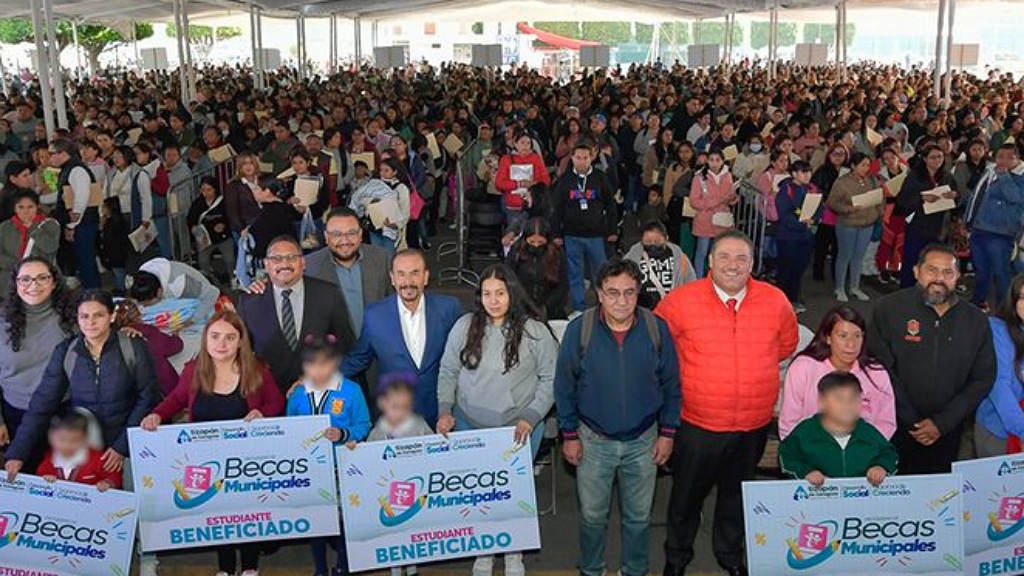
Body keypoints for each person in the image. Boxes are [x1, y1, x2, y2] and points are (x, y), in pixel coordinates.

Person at [657, 230, 799, 576]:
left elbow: (786, 345)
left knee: (736, 497)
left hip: (752, 424)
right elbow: (659, 349)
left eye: (741, 258)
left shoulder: (776, 301)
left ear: (753, 263)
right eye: (724, 257)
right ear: (709, 261)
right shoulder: (680, 301)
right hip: (697, 424)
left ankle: (730, 555)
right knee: (686, 497)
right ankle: (677, 557)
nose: (732, 265)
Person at [555, 258, 680, 576]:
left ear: (638, 293)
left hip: (644, 441)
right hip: (593, 442)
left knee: (638, 518)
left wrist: (667, 432)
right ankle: (591, 569)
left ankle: (634, 570)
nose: (621, 301)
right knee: (592, 517)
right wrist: (569, 435)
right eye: (612, 293)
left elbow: (672, 385)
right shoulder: (579, 330)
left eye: (629, 292)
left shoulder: (656, 328)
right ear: (599, 293)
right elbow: (564, 387)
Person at [140, 310, 285, 576]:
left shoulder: (257, 371)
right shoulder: (193, 371)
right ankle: (225, 569)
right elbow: (176, 399)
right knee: (217, 515)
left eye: (230, 337)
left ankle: (250, 567)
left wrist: (262, 413)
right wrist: (156, 414)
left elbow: (277, 400)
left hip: (247, 463)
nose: (222, 343)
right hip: (206, 461)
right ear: (205, 339)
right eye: (215, 336)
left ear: (241, 342)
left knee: (248, 513)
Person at [433, 264, 555, 576]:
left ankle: (514, 552)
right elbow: (448, 371)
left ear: (512, 294)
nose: (494, 300)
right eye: (487, 293)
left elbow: (551, 378)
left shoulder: (534, 331)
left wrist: (531, 416)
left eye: (500, 293)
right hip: (470, 425)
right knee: (478, 494)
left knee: (511, 494)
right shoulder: (464, 326)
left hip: (519, 429)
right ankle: (484, 550)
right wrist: (445, 410)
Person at [4, 290, 159, 486]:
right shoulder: (67, 351)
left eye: (98, 315)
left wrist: (122, 446)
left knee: (130, 493)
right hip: (86, 450)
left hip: (129, 445)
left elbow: (148, 397)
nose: (90, 322)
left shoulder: (132, 346)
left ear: (111, 316)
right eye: (84, 316)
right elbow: (42, 402)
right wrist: (17, 452)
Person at [868, 244, 996, 473]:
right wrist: (911, 420)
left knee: (939, 491)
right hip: (893, 424)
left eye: (948, 272)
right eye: (932, 270)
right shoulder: (888, 309)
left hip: (948, 430)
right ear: (916, 271)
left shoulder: (975, 321)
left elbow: (983, 377)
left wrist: (943, 422)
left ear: (958, 276)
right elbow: (879, 367)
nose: (939, 279)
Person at [341, 249, 461, 427]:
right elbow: (358, 359)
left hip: (440, 414)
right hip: (396, 415)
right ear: (392, 278)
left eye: (415, 273)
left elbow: (462, 357)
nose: (408, 282)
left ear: (426, 277)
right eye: (401, 274)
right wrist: (316, 378)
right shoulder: (375, 315)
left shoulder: (449, 308)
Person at [287, 334, 370, 576]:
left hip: (341, 468)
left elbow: (364, 424)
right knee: (317, 521)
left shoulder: (351, 391)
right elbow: (289, 428)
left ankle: (343, 565)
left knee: (343, 520)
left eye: (324, 363)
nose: (318, 370)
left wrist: (344, 433)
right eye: (311, 364)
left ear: (335, 362)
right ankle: (320, 569)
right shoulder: (298, 394)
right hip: (310, 470)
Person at [237, 235, 355, 394]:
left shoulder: (328, 294)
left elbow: (345, 344)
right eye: (276, 258)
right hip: (269, 397)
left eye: (292, 257)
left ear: (303, 262)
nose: (284, 264)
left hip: (321, 393)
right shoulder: (249, 302)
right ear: (266, 265)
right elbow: (243, 353)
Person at [0, 258, 77, 462]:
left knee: (66, 472)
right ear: (15, 284)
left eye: (42, 278)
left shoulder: (73, 318)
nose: (33, 285)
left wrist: (129, 331)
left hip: (63, 412)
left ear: (54, 282)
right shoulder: (1, 323)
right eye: (25, 279)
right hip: (16, 415)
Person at [780, 305, 895, 440]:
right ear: (828, 337)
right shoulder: (803, 368)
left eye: (857, 336)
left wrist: (863, 448)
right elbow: (789, 423)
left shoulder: (876, 373)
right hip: (811, 449)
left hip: (864, 449)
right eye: (842, 336)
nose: (851, 344)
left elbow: (886, 422)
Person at [779, 372, 899, 487]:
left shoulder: (867, 431)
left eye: (853, 398)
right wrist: (806, 472)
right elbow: (787, 455)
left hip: (861, 496)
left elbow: (889, 453)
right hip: (816, 495)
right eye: (838, 398)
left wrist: (880, 466)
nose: (847, 405)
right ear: (822, 401)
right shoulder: (806, 431)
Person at [550, 143, 618, 313]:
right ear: (572, 158)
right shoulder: (565, 180)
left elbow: (611, 205)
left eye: (585, 158)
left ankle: (605, 307)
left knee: (602, 273)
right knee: (575, 273)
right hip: (571, 235)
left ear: (591, 158)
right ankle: (579, 308)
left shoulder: (600, 177)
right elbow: (556, 209)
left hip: (596, 235)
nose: (582, 161)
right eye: (578, 158)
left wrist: (612, 230)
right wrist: (556, 233)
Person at [304, 207, 394, 337]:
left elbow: (396, 302)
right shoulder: (309, 266)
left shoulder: (383, 258)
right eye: (336, 234)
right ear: (326, 237)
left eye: (351, 233)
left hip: (379, 344)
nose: (345, 240)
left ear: (360, 234)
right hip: (336, 347)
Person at [967, 144, 1024, 308]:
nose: (1003, 160)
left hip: (1001, 233)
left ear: (1018, 158)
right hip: (978, 229)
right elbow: (977, 196)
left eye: (1009, 157)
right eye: (1000, 156)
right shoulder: (990, 171)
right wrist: (967, 220)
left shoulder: (1020, 177)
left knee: (1001, 273)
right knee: (981, 270)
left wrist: (1004, 176)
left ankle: (1004, 309)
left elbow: (1015, 198)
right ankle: (978, 302)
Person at [976, 274, 1024, 457]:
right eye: (1023, 297)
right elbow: (999, 386)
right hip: (999, 433)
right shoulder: (997, 330)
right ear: (1013, 300)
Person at [827, 152, 885, 302]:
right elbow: (832, 202)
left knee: (859, 257)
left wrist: (880, 213)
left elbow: (879, 198)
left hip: (867, 223)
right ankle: (839, 288)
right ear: (853, 166)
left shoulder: (872, 180)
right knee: (844, 256)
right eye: (862, 165)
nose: (866, 168)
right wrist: (848, 209)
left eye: (868, 165)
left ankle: (855, 287)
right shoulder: (842, 182)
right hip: (848, 223)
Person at [896, 145, 956, 288]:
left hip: (939, 227)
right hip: (919, 225)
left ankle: (929, 288)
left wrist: (955, 195)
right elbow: (902, 200)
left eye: (940, 157)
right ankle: (907, 289)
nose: (937, 160)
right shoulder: (915, 176)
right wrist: (921, 198)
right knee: (913, 259)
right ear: (925, 159)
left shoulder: (947, 176)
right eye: (933, 157)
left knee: (934, 261)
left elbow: (957, 200)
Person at [51, 138, 102, 289]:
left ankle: (94, 295)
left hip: (84, 224)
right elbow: (63, 195)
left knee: (86, 263)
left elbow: (82, 198)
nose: (50, 157)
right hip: (80, 223)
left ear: (63, 153)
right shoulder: (68, 169)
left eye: (52, 153)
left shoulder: (76, 170)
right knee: (83, 262)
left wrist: (72, 225)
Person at [774, 161, 822, 313]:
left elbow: (820, 207)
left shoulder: (812, 188)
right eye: (803, 172)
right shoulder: (786, 190)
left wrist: (813, 220)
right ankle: (781, 301)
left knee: (799, 269)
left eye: (809, 172)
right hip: (788, 236)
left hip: (806, 236)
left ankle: (794, 298)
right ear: (794, 174)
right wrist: (801, 223)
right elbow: (784, 214)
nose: (807, 175)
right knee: (786, 270)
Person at [35, 409, 122, 490]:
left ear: (85, 438)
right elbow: (38, 480)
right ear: (51, 437)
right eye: (62, 439)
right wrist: (45, 479)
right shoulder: (49, 459)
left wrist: (108, 483)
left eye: (75, 440)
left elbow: (115, 477)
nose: (68, 445)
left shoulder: (99, 459)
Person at [113, 298, 183, 397]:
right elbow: (175, 346)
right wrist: (176, 336)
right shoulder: (148, 332)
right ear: (138, 316)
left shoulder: (110, 341)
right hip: (166, 390)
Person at [505, 217, 569, 321]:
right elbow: (509, 278)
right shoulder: (516, 252)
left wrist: (545, 307)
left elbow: (563, 286)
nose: (536, 245)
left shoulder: (557, 253)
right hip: (521, 309)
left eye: (540, 242)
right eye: (532, 241)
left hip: (551, 311)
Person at [624, 220, 696, 309]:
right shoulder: (633, 256)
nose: (652, 244)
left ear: (666, 239)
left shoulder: (680, 258)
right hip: (642, 309)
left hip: (672, 307)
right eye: (647, 241)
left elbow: (691, 283)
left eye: (656, 241)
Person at [0, 189, 59, 296]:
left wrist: (33, 228)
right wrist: (18, 265)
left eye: (30, 207)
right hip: (9, 283)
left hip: (38, 284)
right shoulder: (5, 227)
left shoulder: (50, 225)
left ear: (38, 207)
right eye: (21, 207)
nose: (26, 211)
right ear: (14, 208)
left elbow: (50, 248)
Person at [689, 150, 737, 278]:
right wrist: (716, 201)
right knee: (702, 252)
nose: (714, 164)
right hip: (705, 221)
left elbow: (729, 199)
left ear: (723, 161)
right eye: (711, 160)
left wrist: (733, 198)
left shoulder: (727, 176)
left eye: (718, 160)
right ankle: (698, 279)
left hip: (722, 221)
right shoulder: (699, 177)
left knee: (720, 253)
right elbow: (694, 201)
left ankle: (717, 278)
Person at [136, 258, 221, 323]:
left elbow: (213, 293)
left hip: (200, 300)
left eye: (147, 304)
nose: (144, 306)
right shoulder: (143, 275)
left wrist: (192, 321)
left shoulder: (179, 283)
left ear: (159, 292)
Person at [187, 176, 235, 283]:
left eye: (209, 190)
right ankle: (209, 281)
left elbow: (231, 217)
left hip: (223, 238)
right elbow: (191, 220)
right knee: (203, 261)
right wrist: (193, 229)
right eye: (203, 190)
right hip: (205, 239)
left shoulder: (223, 202)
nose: (206, 193)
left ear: (215, 189)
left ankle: (232, 278)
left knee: (229, 260)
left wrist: (224, 225)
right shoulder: (197, 204)